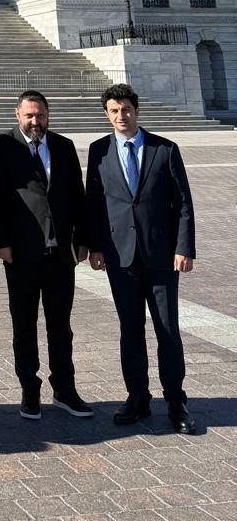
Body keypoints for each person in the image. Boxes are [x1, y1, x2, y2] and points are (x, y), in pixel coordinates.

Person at [85, 83, 198, 434]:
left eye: (126, 109)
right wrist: (95, 247)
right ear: (107, 114)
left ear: (136, 110)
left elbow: (183, 203)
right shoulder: (99, 151)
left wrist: (184, 247)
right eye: (114, 111)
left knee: (168, 330)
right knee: (130, 329)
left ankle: (176, 400)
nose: (121, 116)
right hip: (121, 257)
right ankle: (137, 397)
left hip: (162, 257)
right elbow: (94, 203)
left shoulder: (165, 149)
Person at [0, 90, 92, 420]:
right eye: (29, 115)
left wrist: (82, 240)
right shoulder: (3, 146)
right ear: (17, 114)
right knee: (24, 325)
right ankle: (29, 390)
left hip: (60, 255)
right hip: (21, 254)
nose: (35, 121)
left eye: (41, 115)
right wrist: (0, 242)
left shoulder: (63, 146)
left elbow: (78, 196)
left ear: (48, 116)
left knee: (61, 326)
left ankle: (64, 389)